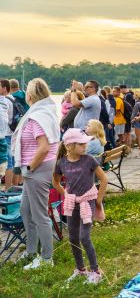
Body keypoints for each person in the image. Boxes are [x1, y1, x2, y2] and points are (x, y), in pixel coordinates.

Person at [12, 78, 60, 269]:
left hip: (37, 169)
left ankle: (47, 258)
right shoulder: (45, 113)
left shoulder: (37, 117)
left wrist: (30, 168)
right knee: (25, 209)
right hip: (37, 169)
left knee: (39, 215)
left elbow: (44, 147)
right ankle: (31, 250)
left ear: (30, 96)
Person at [52, 128, 108, 283]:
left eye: (86, 143)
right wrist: (66, 195)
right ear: (70, 146)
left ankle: (96, 271)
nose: (85, 146)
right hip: (72, 203)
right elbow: (55, 182)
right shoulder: (61, 163)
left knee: (84, 236)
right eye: (82, 144)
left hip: (87, 201)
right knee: (73, 237)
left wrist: (97, 200)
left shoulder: (89, 159)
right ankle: (81, 269)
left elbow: (104, 179)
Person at [131, 90, 140, 158]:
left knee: (139, 138)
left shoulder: (137, 104)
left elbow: (134, 114)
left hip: (137, 122)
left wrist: (131, 120)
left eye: (134, 94)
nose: (133, 95)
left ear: (137, 95)